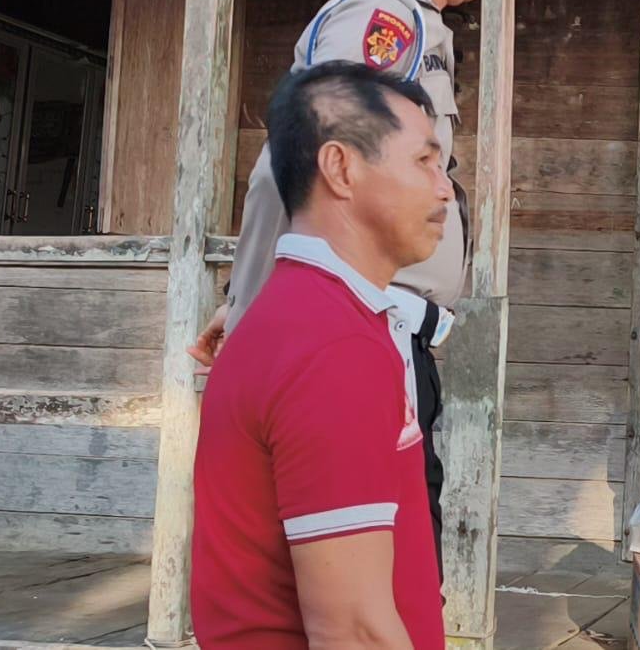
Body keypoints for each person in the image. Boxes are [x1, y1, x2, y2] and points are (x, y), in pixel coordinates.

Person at [189, 0, 513, 570]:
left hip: (386, 323)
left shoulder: (413, 22)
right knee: (385, 570)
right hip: (370, 325)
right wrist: (248, 302)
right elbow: (292, 166)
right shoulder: (382, 24)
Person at [192, 61, 451, 649]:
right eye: (424, 161)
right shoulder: (332, 348)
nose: (443, 188)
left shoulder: (294, 317)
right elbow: (353, 630)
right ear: (341, 168)